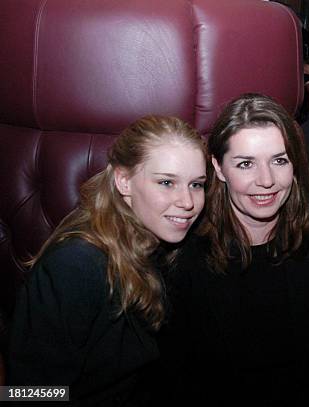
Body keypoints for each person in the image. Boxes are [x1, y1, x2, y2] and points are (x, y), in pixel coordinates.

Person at [7, 115, 207, 404]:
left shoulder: (162, 244)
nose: (187, 202)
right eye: (166, 182)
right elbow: (25, 394)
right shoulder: (76, 265)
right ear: (124, 181)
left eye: (197, 185)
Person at [161, 93, 309, 406]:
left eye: (279, 160)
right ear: (218, 168)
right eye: (246, 164)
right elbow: (174, 382)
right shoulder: (183, 258)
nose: (267, 180)